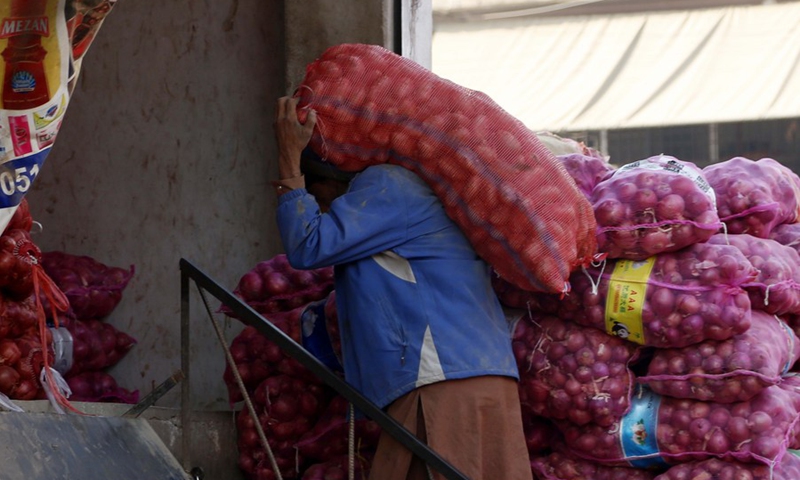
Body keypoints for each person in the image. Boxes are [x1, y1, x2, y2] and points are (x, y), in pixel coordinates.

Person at [272, 96, 533, 480]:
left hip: (443, 382)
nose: (324, 209)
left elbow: (307, 243)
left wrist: (287, 161)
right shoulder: (408, 193)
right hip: (465, 378)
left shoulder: (387, 185)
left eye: (319, 199)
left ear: (328, 180)